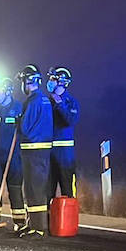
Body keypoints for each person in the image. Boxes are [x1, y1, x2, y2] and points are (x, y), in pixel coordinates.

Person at [16, 64, 54, 237]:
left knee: (34, 189)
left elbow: (25, 127)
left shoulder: (32, 101)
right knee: (34, 188)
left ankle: (38, 228)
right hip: (41, 150)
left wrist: (17, 121)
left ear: (27, 81)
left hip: (33, 150)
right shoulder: (44, 99)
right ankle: (32, 223)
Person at [0, 76, 26, 229]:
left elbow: (26, 130)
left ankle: (20, 222)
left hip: (14, 157)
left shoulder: (19, 108)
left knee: (15, 189)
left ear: (8, 92)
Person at [48, 66, 79, 198]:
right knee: (47, 193)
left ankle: (69, 219)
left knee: (68, 191)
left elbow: (70, 120)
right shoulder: (46, 102)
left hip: (66, 157)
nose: (49, 81)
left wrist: (60, 104)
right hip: (49, 154)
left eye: (53, 79)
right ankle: (48, 219)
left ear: (62, 82)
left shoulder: (71, 102)